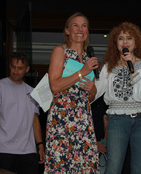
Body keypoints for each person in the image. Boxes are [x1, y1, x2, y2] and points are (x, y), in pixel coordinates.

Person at [93, 22, 141, 174]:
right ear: (116, 43)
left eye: (129, 38)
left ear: (136, 42)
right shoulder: (108, 67)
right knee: (113, 167)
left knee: (140, 168)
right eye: (120, 38)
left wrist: (133, 67)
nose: (125, 42)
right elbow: (94, 93)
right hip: (117, 120)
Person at [44, 12, 99, 173]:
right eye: (75, 25)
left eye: (84, 25)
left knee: (84, 165)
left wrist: (93, 90)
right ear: (67, 30)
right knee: (62, 165)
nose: (80, 29)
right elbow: (54, 86)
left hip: (83, 119)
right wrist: (82, 71)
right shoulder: (60, 52)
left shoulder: (89, 58)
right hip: (62, 118)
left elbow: (90, 96)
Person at [0, 52, 45, 174]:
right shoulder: (0, 86)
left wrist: (40, 145)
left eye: (19, 68)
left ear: (27, 69)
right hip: (4, 149)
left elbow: (35, 119)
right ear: (9, 66)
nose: (15, 71)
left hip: (28, 151)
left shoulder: (32, 92)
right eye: (13, 67)